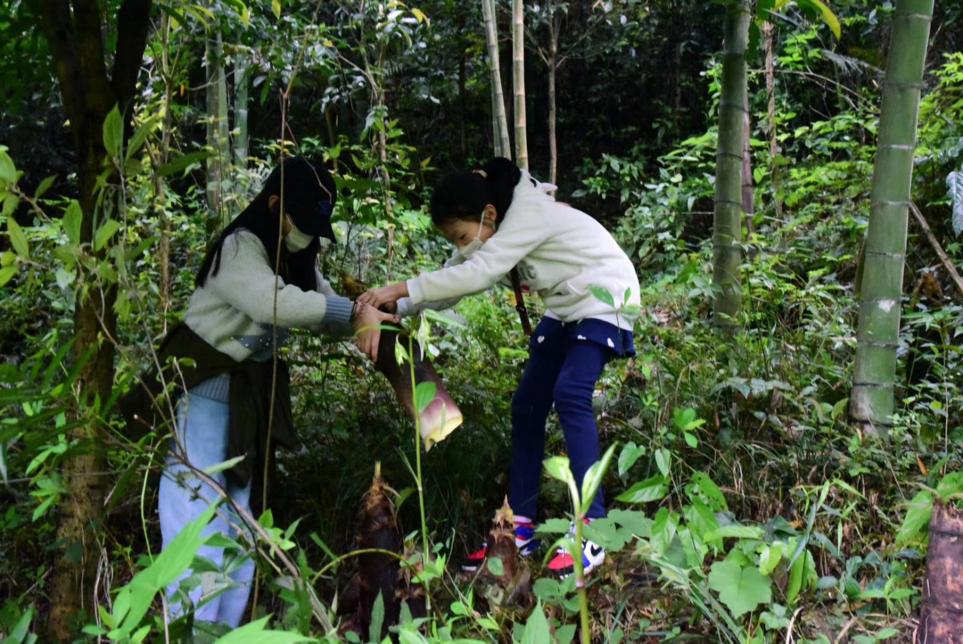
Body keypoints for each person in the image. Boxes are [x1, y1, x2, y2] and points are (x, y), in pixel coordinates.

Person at [124, 156, 394, 628]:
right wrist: (353, 313)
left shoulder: (294, 258)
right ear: (275, 205)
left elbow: (323, 307)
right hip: (205, 391)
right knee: (196, 507)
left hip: (248, 401)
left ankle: (225, 630)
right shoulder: (241, 247)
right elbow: (277, 303)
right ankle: (191, 627)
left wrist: (375, 310)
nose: (307, 235)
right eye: (302, 222)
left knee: (243, 512)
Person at [358, 157, 640, 576]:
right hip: (567, 307)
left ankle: (592, 531)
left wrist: (397, 288)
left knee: (571, 394)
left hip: (606, 295)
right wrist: (395, 304)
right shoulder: (497, 218)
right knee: (527, 405)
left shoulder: (525, 212)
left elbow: (479, 274)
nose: (460, 246)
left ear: (488, 215)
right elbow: (455, 277)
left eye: (461, 236)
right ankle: (518, 529)